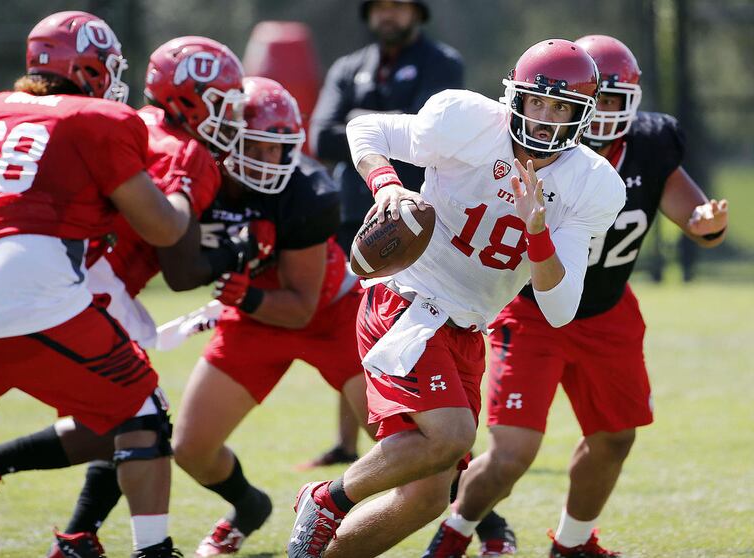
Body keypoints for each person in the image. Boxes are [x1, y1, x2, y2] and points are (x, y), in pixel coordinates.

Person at [286, 38, 626, 558]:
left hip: (467, 328)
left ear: (583, 116)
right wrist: (386, 187)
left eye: (562, 107)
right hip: (407, 302)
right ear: (515, 95)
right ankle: (327, 499)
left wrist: (539, 232)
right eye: (537, 101)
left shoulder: (591, 184)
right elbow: (365, 127)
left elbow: (559, 309)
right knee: (452, 435)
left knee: (426, 497)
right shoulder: (469, 121)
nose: (545, 118)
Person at [424, 35, 729, 558]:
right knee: (511, 454)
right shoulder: (541, 148)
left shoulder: (652, 144)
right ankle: (454, 533)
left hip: (608, 312)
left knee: (615, 437)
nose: (606, 112)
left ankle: (571, 543)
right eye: (598, 98)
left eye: (616, 100)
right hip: (535, 309)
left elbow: (698, 220)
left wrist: (706, 223)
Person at [0, 35, 257, 558]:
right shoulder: (181, 149)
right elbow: (180, 267)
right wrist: (235, 253)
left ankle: (58, 523)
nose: (230, 117)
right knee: (140, 414)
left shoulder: (117, 124)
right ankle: (128, 546)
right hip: (77, 286)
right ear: (188, 99)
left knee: (123, 413)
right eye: (222, 103)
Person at [170, 75, 377, 557]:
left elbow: (302, 303)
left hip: (328, 314)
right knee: (192, 447)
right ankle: (247, 506)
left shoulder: (306, 191)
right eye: (256, 148)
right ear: (222, 140)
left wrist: (241, 296)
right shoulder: (196, 177)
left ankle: (476, 516)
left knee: (409, 443)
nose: (270, 163)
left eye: (277, 149)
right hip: (255, 318)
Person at [306, 0, 464, 469]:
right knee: (352, 323)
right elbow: (322, 138)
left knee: (413, 325)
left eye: (398, 5)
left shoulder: (443, 62)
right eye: (380, 7)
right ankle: (350, 441)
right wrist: (382, 122)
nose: (388, 15)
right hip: (353, 216)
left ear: (418, 11)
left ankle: (423, 428)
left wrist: (363, 122)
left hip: (416, 221)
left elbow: (429, 140)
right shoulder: (349, 66)